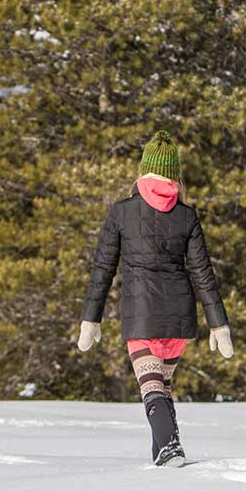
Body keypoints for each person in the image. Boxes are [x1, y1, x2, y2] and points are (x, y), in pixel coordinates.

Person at [76, 131, 233, 467]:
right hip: (179, 318)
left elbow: (103, 268)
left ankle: (170, 448)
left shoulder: (121, 212)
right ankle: (162, 453)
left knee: (151, 389)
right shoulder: (187, 215)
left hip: (141, 315)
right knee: (162, 386)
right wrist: (219, 324)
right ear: (174, 174)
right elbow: (203, 273)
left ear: (144, 170)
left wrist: (91, 318)